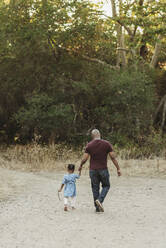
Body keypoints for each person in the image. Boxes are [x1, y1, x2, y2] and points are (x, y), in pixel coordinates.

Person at [79, 129, 121, 213]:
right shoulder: (106, 144)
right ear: (99, 135)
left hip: (93, 170)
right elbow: (113, 157)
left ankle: (97, 208)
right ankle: (100, 200)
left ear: (92, 136)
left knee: (95, 188)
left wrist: (80, 166)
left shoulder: (89, 145)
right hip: (103, 169)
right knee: (106, 186)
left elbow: (84, 159)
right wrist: (118, 168)